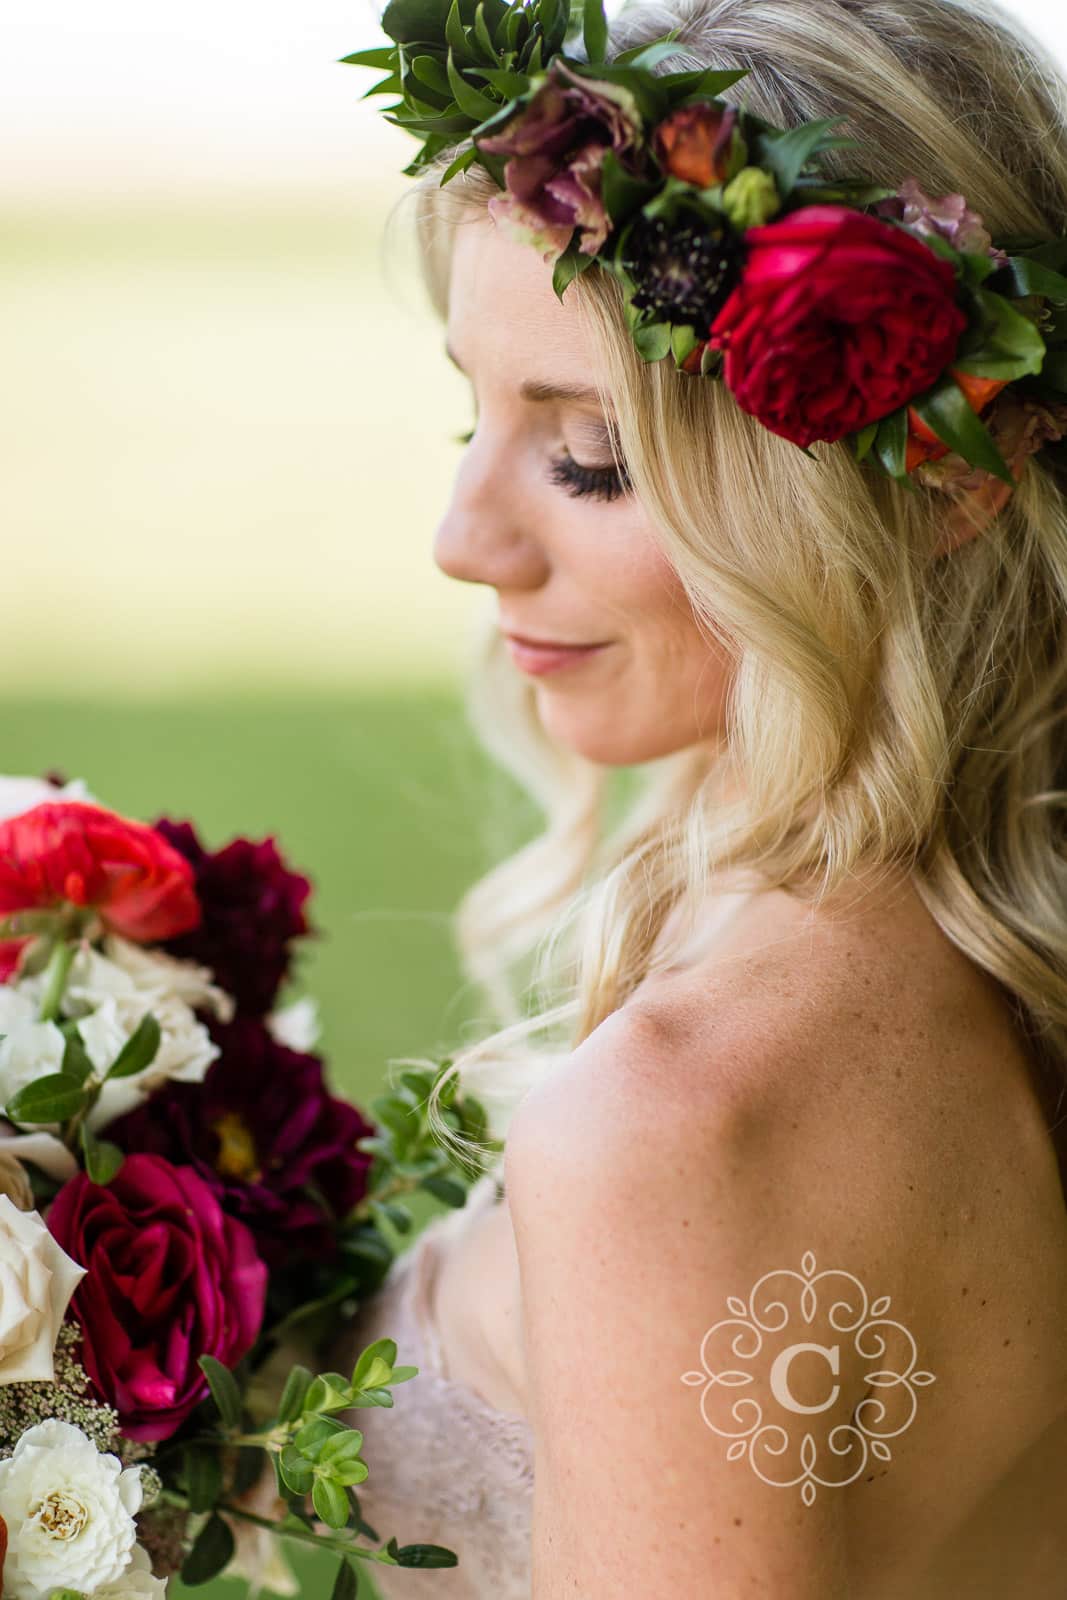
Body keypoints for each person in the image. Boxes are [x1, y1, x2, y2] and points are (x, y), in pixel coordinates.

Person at [332, 1, 1067, 1593]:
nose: (465, 539)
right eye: (477, 415)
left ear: (944, 475)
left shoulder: (665, 1135)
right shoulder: (1002, 979)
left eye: (588, 457)